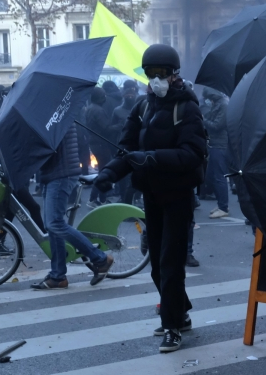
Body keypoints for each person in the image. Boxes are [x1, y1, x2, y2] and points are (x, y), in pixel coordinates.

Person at [94, 44, 206, 353]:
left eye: (162, 73)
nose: (156, 79)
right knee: (156, 264)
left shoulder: (187, 107)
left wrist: (152, 158)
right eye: (150, 73)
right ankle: (179, 313)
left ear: (174, 75)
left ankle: (172, 326)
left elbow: (193, 153)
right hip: (151, 196)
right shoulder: (142, 107)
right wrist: (106, 175)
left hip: (179, 196)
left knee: (170, 263)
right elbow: (126, 150)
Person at [31, 124, 113, 290]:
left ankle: (100, 259)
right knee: (52, 226)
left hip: (62, 173)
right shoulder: (51, 116)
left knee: (55, 223)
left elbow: (48, 146)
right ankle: (58, 276)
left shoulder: (54, 119)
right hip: (53, 173)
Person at [111, 80, 140, 203]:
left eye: (132, 95)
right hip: (122, 144)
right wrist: (120, 126)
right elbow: (111, 128)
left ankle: (136, 197)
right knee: (123, 173)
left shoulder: (140, 108)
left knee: (138, 172)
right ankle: (123, 197)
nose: (129, 97)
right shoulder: (117, 110)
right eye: (127, 96)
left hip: (138, 144)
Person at [203, 87, 229, 218]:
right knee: (212, 176)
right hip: (215, 144)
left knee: (219, 177)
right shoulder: (218, 103)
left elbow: (217, 125)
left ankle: (223, 207)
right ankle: (221, 204)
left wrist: (203, 119)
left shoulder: (223, 104)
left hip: (220, 145)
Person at [85, 87, 114, 208]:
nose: (105, 98)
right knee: (104, 171)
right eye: (103, 95)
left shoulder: (90, 108)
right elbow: (106, 129)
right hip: (101, 143)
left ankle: (100, 199)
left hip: (94, 143)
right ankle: (95, 199)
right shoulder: (98, 110)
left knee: (102, 170)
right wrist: (119, 126)